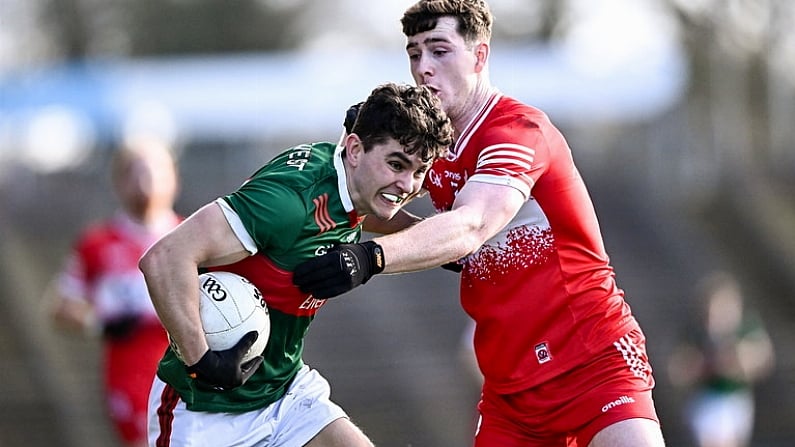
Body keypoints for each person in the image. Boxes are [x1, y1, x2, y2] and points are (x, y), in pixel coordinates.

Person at [292, 1, 668, 446]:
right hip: (510, 389)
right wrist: (357, 160)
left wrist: (369, 258)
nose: (423, 68)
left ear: (480, 56)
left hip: (593, 362)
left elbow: (471, 225)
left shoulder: (517, 131)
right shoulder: (428, 148)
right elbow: (366, 205)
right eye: (414, 54)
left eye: (439, 50)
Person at [138, 82, 453, 447]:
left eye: (418, 171)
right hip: (204, 409)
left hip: (286, 394)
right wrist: (201, 361)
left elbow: (369, 208)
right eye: (396, 164)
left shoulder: (346, 182)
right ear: (354, 149)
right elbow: (163, 259)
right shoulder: (288, 203)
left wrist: (429, 237)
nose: (407, 184)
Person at [46, 136, 182, 447]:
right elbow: (60, 306)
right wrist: (100, 321)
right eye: (137, 171)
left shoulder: (194, 238)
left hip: (189, 369)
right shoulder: (97, 244)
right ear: (119, 181)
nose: (147, 180)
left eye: (157, 170)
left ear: (174, 178)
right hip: (129, 371)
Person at [668, 271, 775, 447]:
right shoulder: (697, 333)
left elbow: (763, 360)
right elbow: (678, 371)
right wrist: (705, 365)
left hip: (736, 399)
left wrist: (739, 360)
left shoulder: (746, 329)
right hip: (708, 398)